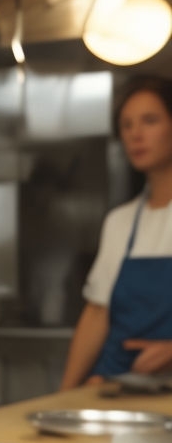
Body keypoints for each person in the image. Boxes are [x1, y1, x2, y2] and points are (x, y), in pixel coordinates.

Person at [60, 75, 172, 388]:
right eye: (127, 125)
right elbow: (97, 313)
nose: (136, 135)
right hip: (116, 388)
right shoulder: (120, 222)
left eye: (150, 120)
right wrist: (64, 395)